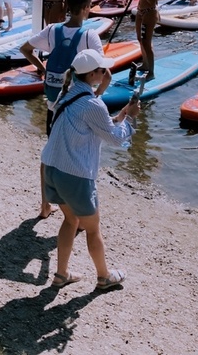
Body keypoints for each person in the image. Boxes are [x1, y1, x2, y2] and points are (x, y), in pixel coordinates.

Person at [40, 49, 137, 291]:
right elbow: (115, 139)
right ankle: (104, 277)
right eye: (103, 70)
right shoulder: (93, 104)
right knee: (92, 229)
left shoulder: (67, 95)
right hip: (74, 175)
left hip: (52, 168)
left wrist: (121, 115)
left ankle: (61, 274)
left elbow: (98, 124)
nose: (107, 73)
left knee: (70, 220)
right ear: (93, 73)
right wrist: (133, 120)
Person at [21, 0, 106, 218]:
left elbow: (25, 49)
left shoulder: (52, 30)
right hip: (78, 106)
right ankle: (76, 213)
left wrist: (42, 69)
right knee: (76, 158)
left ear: (68, 7)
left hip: (53, 103)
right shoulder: (90, 36)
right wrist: (96, 96)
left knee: (49, 154)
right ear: (86, 9)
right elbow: (105, 73)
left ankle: (45, 205)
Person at [135, 0, 166, 78]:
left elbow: (152, 1)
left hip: (149, 12)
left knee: (147, 42)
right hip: (139, 11)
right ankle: (145, 64)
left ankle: (151, 72)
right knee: (140, 39)